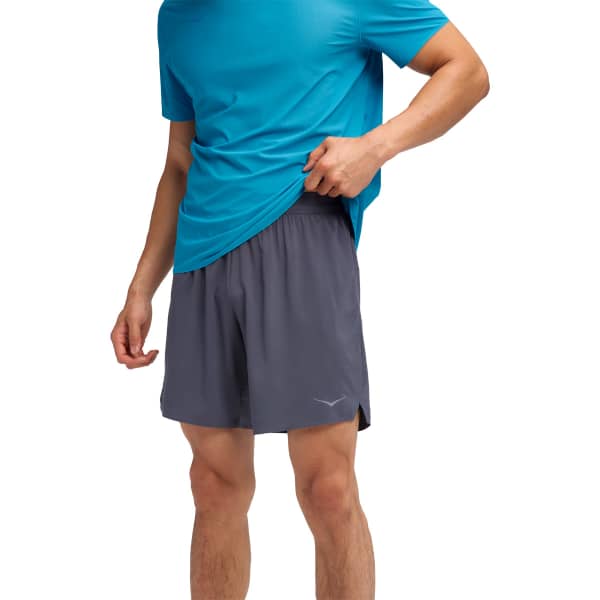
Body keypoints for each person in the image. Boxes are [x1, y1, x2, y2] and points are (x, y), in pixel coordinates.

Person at [110, 0, 489, 597]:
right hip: (202, 253)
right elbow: (180, 159)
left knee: (328, 487)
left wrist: (374, 147)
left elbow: (466, 70)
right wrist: (141, 288)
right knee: (213, 485)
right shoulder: (177, 14)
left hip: (305, 227)